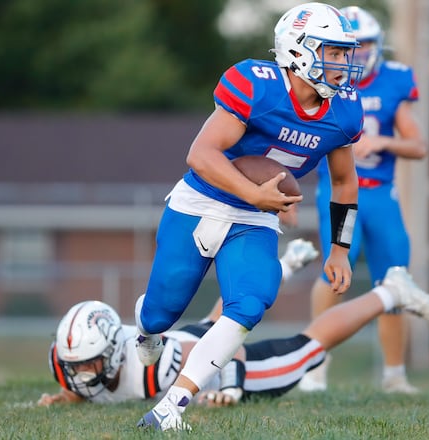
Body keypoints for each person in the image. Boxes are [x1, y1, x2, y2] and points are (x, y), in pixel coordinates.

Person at [131, 3, 370, 430]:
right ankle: (146, 328)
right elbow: (200, 155)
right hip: (201, 202)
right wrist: (252, 193)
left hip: (255, 216)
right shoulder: (257, 84)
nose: (342, 65)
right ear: (299, 51)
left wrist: (340, 250)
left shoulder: (344, 110)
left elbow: (346, 184)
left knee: (252, 299)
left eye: (343, 53)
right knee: (160, 314)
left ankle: (173, 406)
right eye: (332, 53)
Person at [38, 255, 429, 408]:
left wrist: (228, 386)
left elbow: (215, 347)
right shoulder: (69, 362)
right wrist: (67, 396)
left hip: (221, 363)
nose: (83, 373)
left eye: (90, 364)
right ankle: (281, 267)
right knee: (225, 315)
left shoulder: (153, 366)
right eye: (78, 366)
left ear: (113, 351)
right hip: (193, 341)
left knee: (307, 347)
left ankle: (390, 291)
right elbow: (84, 382)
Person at [300, 6, 429, 395]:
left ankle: (394, 374)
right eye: (345, 49)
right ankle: (314, 364)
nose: (354, 57)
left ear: (377, 47)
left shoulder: (393, 81)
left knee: (395, 280)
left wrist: (384, 141)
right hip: (339, 192)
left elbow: (419, 145)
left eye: (363, 46)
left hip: (381, 194)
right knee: (333, 272)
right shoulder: (320, 81)